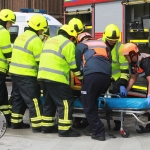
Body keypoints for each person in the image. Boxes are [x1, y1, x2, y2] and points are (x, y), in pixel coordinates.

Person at [38, 24, 83, 137]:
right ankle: (65, 129)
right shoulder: (68, 44)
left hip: (43, 76)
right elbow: (73, 66)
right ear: (71, 37)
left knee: (49, 101)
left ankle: (46, 126)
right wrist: (82, 78)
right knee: (66, 102)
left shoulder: (49, 41)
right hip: (57, 78)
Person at [9, 14, 48, 132]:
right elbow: (40, 61)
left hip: (14, 73)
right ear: (38, 27)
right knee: (33, 99)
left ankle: (15, 122)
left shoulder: (21, 36)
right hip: (27, 74)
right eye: (42, 29)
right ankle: (37, 125)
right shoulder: (35, 40)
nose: (42, 31)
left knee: (17, 98)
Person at [76, 32, 112, 141]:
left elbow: (77, 65)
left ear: (80, 40)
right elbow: (109, 61)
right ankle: (92, 127)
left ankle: (98, 132)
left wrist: (82, 77)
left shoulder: (81, 45)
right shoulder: (103, 44)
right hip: (106, 78)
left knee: (88, 104)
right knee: (92, 101)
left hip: (92, 76)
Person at [100, 24, 129, 130]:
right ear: (105, 37)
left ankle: (118, 122)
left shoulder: (120, 47)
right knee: (97, 96)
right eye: (110, 40)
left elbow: (125, 69)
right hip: (102, 75)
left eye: (115, 40)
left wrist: (122, 84)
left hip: (116, 77)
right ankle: (93, 121)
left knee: (117, 98)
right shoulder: (99, 44)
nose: (113, 42)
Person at [121, 43, 150, 131]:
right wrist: (126, 90)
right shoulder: (133, 63)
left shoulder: (145, 61)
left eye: (126, 56)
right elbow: (133, 78)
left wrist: (149, 95)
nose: (126, 58)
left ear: (132, 54)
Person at [68, 17, 89, 128]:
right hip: (73, 78)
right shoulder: (70, 43)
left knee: (83, 98)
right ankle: (76, 120)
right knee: (74, 99)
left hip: (80, 76)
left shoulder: (83, 41)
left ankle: (84, 120)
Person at [0, 9, 16, 127]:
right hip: (0, 68)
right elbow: (7, 52)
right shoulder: (3, 32)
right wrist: (12, 67)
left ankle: (6, 118)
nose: (10, 25)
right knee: (1, 94)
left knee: (4, 94)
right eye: (10, 22)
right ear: (6, 21)